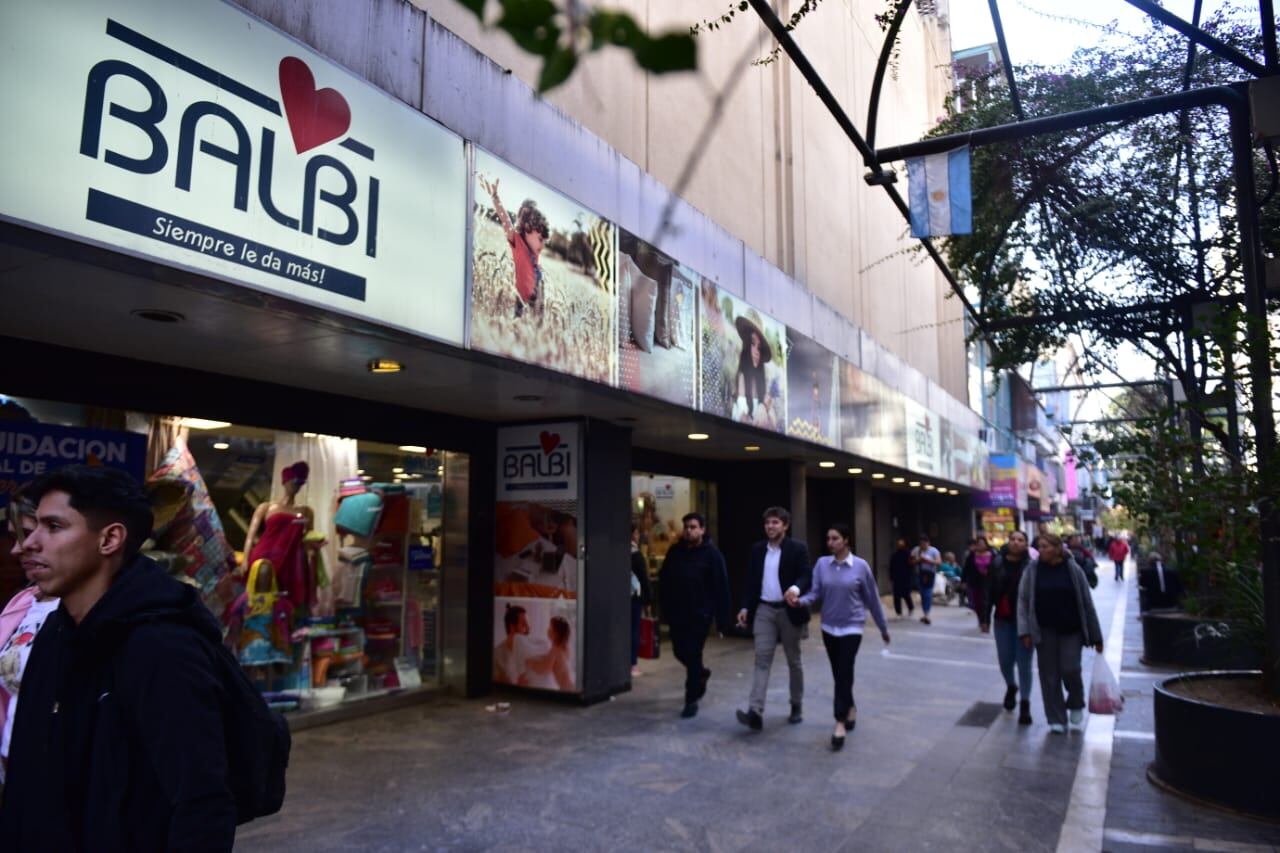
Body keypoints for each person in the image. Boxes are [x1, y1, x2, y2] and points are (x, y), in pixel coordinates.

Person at [0, 465, 238, 850]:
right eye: (34, 527)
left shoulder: (161, 647)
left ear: (110, 539)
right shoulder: (54, 634)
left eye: (54, 527)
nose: (29, 543)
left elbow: (201, 799)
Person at [789, 523, 890, 750]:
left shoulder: (861, 567)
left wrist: (883, 628)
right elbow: (815, 592)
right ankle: (851, 706)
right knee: (840, 674)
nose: (830, 542)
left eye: (835, 538)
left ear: (846, 540)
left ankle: (839, 723)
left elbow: (873, 599)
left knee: (844, 671)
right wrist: (800, 601)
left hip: (852, 627)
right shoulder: (822, 564)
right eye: (828, 539)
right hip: (829, 628)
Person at [1017, 532, 1104, 734]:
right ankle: (1056, 718)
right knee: (1049, 676)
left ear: (1057, 549)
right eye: (1039, 546)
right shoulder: (1032, 570)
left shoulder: (1073, 570)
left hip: (1071, 629)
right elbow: (1023, 601)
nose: (1041, 550)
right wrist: (1025, 632)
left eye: (1046, 546)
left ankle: (1075, 702)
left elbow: (1087, 603)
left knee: (1070, 668)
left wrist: (1096, 635)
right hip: (1044, 630)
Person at [0, 497, 59, 791]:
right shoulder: (24, 600)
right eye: (15, 536)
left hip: (56, 781)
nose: (17, 548)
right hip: (12, 770)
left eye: (28, 532)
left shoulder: (89, 608)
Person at [735, 507, 811, 731]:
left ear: (785, 526)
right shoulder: (758, 550)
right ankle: (755, 711)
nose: (770, 527)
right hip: (764, 610)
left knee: (793, 660)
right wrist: (745, 607)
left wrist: (796, 589)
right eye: (768, 523)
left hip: (789, 610)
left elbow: (806, 573)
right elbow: (751, 581)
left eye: (775, 523)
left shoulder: (797, 548)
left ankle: (796, 704)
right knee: (761, 660)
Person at [659, 513, 731, 719]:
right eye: (686, 527)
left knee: (692, 652)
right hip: (677, 613)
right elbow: (665, 579)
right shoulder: (675, 552)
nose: (689, 531)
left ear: (702, 529)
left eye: (693, 527)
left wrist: (721, 620)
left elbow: (721, 587)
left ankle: (691, 699)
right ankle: (700, 673)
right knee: (679, 651)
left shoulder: (712, 555)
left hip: (699, 615)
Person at [479, 175, 548, 317]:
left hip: (535, 300)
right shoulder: (518, 243)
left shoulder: (535, 252)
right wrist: (495, 199)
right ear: (527, 229)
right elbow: (506, 221)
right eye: (540, 239)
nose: (543, 245)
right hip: (521, 301)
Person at [985, 531, 1034, 724]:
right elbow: (988, 590)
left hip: (1025, 623)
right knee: (1005, 660)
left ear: (1026, 544)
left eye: (1020, 540)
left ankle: (1025, 704)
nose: (1015, 542)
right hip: (1002, 619)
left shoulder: (1031, 565)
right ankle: (1011, 686)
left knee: (1024, 664)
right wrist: (984, 617)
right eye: (1013, 539)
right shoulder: (997, 563)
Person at [629, 523, 653, 677]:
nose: (638, 536)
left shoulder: (615, 552)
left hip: (617, 598)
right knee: (634, 630)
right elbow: (644, 580)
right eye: (637, 533)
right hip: (634, 598)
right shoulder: (636, 555)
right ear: (632, 535)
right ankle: (632, 665)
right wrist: (648, 600)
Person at [494, 603, 533, 686]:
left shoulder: (529, 650)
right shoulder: (496, 655)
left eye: (528, 624)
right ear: (512, 627)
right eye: (524, 624)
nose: (529, 628)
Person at [963, 535, 995, 629]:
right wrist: (963, 581)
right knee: (976, 603)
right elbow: (966, 568)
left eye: (982, 543)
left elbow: (997, 567)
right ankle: (981, 619)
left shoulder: (992, 554)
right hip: (975, 581)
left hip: (988, 581)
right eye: (978, 544)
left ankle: (986, 621)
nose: (980, 545)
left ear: (986, 544)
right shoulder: (972, 555)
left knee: (986, 602)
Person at [910, 534, 940, 625]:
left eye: (924, 544)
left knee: (928, 593)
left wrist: (928, 560)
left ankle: (927, 613)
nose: (922, 545)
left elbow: (938, 562)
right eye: (921, 544)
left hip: (930, 573)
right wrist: (919, 560)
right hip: (919, 573)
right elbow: (911, 561)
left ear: (928, 543)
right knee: (922, 593)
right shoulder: (916, 550)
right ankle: (925, 611)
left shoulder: (934, 551)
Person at [888, 538, 914, 619]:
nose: (899, 545)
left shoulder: (908, 554)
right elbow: (891, 567)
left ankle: (911, 608)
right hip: (896, 578)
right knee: (896, 596)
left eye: (901, 544)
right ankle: (898, 612)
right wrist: (891, 577)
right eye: (898, 544)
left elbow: (911, 566)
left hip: (905, 577)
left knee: (906, 594)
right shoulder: (895, 555)